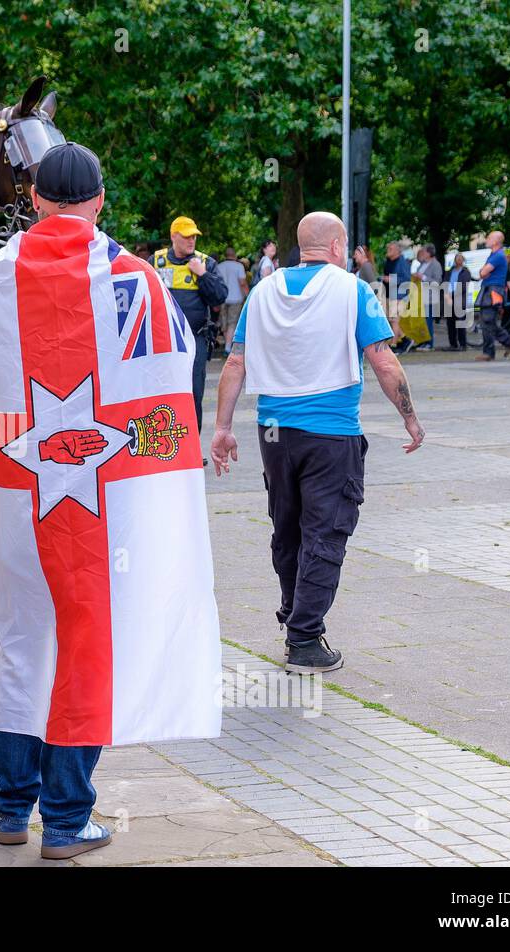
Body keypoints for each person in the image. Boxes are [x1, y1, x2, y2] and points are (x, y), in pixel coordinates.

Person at [0, 143, 222, 860]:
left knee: (16, 640)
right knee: (88, 643)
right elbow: (173, 375)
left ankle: (9, 810)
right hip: (106, 504)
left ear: (34, 199)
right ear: (100, 199)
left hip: (17, 489)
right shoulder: (135, 280)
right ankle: (67, 820)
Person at [211, 211, 424, 674]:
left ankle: (295, 615)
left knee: (288, 530)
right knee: (325, 532)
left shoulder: (262, 292)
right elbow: (384, 361)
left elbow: (235, 362)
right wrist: (410, 418)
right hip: (332, 434)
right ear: (335, 246)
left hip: (273, 433)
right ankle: (305, 640)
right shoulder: (354, 290)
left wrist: (222, 428)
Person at [150, 217, 227, 432]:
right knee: (163, 391)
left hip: (196, 337)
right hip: (164, 340)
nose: (191, 240)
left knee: (194, 391)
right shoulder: (156, 262)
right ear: (174, 236)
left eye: (194, 236)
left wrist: (202, 275)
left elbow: (219, 297)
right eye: (186, 236)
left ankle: (191, 449)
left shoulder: (205, 263)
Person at [475, 230, 510, 362]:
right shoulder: (494, 254)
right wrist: (484, 272)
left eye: (489, 237)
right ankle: (502, 345)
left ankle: (493, 350)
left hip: (492, 291)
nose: (486, 239)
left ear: (496, 241)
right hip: (490, 290)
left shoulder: (497, 256)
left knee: (488, 321)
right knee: (487, 322)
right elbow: (484, 272)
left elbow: (483, 272)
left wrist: (484, 272)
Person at [381, 241, 413, 351]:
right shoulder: (388, 261)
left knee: (394, 320)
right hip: (390, 295)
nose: (388, 250)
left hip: (400, 296)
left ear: (397, 251)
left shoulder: (403, 262)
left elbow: (407, 280)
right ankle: (405, 339)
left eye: (390, 249)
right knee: (391, 320)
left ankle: (393, 345)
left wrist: (391, 279)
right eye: (388, 248)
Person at [217, 246, 249, 349]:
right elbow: (243, 283)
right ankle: (227, 347)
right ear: (234, 255)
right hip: (236, 298)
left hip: (222, 298)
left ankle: (227, 344)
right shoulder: (239, 266)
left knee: (224, 323)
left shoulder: (219, 266)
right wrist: (248, 295)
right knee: (232, 323)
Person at [414, 243, 442, 352]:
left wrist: (423, 277)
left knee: (428, 321)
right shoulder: (423, 264)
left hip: (429, 297)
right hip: (420, 296)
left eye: (424, 252)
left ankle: (429, 344)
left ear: (430, 253)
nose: (423, 253)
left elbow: (437, 281)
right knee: (421, 321)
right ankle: (422, 342)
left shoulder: (436, 265)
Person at [443, 252, 472, 351]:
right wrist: (446, 293)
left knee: (460, 323)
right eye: (457, 259)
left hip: (459, 300)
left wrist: (452, 294)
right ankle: (453, 344)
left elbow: (463, 286)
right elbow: (445, 282)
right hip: (448, 299)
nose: (459, 261)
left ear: (463, 260)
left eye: (460, 259)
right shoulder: (450, 271)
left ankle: (463, 344)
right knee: (450, 324)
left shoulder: (465, 272)